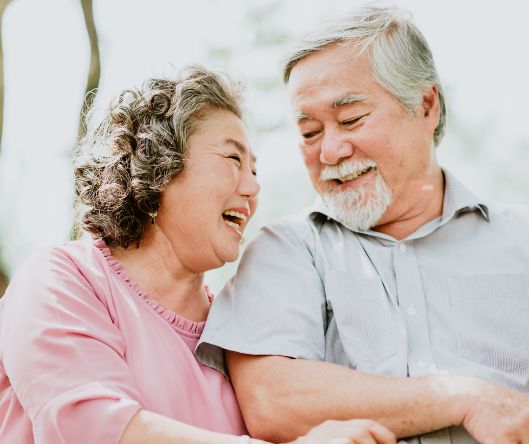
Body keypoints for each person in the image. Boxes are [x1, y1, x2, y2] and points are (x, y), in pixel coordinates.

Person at [0, 66, 397, 444]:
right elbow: (90, 429)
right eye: (233, 159)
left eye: (255, 171)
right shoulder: (62, 279)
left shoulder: (240, 332)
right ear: (159, 166)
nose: (252, 188)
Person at [196, 5, 529, 444]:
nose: (331, 151)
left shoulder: (520, 239)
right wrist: (463, 397)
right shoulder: (287, 249)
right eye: (310, 132)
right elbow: (272, 400)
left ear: (426, 105)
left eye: (351, 119)